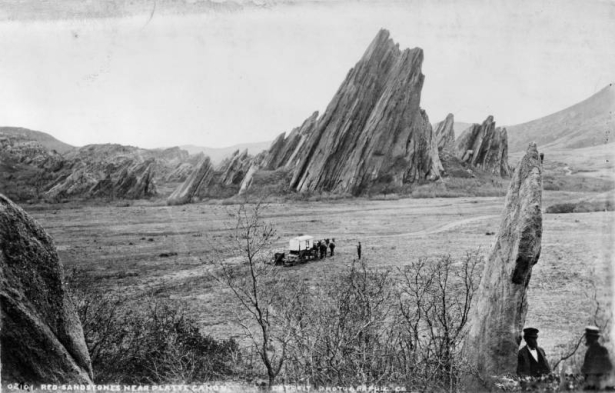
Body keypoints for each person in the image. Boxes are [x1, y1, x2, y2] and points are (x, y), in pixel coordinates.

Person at [581, 326, 613, 390]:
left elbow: (585, 369)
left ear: (591, 338)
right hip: (602, 384)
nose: (586, 338)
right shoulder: (603, 350)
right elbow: (609, 367)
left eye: (587, 336)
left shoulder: (591, 351)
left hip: (592, 385)